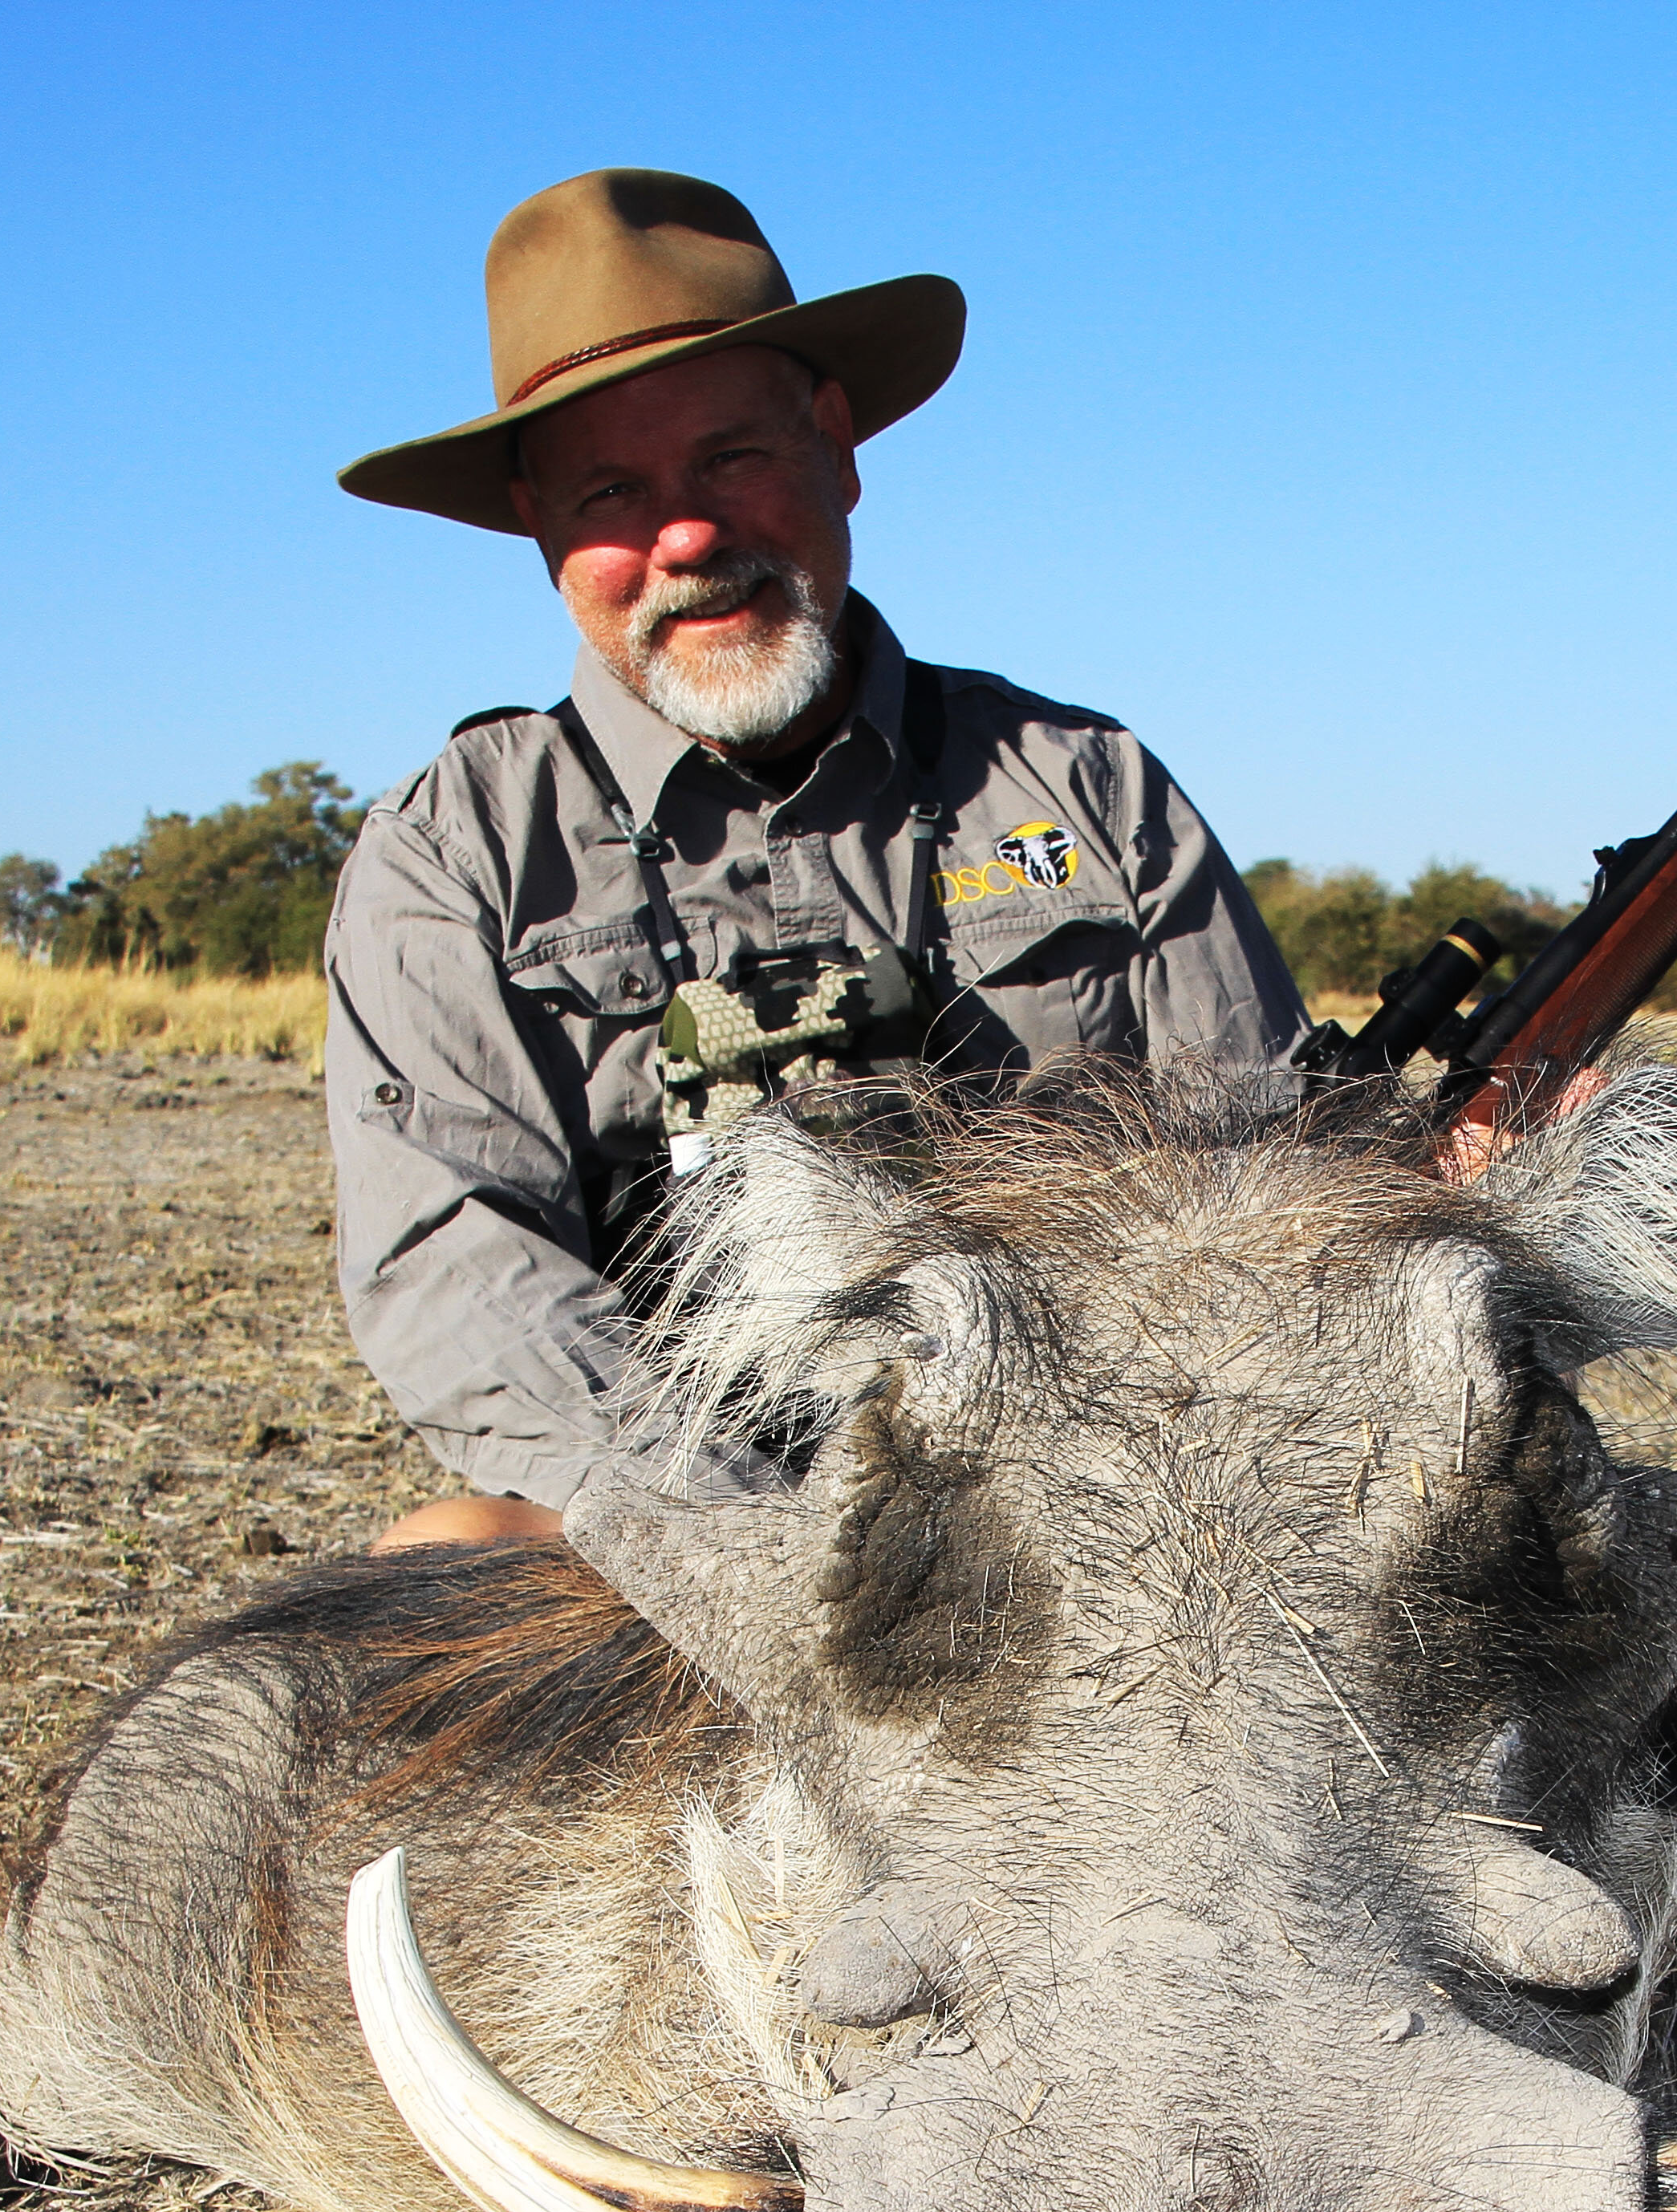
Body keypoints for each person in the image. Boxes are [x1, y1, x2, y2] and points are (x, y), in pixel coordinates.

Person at [323, 171, 1303, 1546]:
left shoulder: (1090, 783)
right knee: (443, 1558)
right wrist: (771, 1546)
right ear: (540, 525)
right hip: (695, 1523)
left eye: (731, 458)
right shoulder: (455, 847)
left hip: (1106, 1495)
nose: (686, 537)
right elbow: (456, 1269)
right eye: (613, 490)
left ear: (838, 446)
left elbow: (1262, 1164)